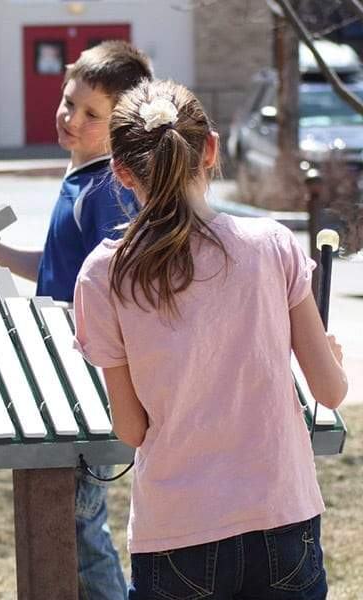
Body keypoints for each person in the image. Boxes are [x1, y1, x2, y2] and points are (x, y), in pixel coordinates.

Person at [72, 79, 347, 599]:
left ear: (121, 171)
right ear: (212, 149)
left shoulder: (103, 275)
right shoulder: (271, 245)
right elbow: (329, 393)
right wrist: (328, 357)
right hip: (282, 518)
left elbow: (130, 429)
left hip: (175, 532)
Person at [0, 40, 153, 600]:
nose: (70, 118)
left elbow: (116, 289)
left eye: (91, 114)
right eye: (67, 100)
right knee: (72, 523)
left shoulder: (109, 190)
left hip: (87, 386)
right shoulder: (80, 178)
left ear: (122, 125)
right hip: (62, 378)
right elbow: (60, 268)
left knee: (80, 528)